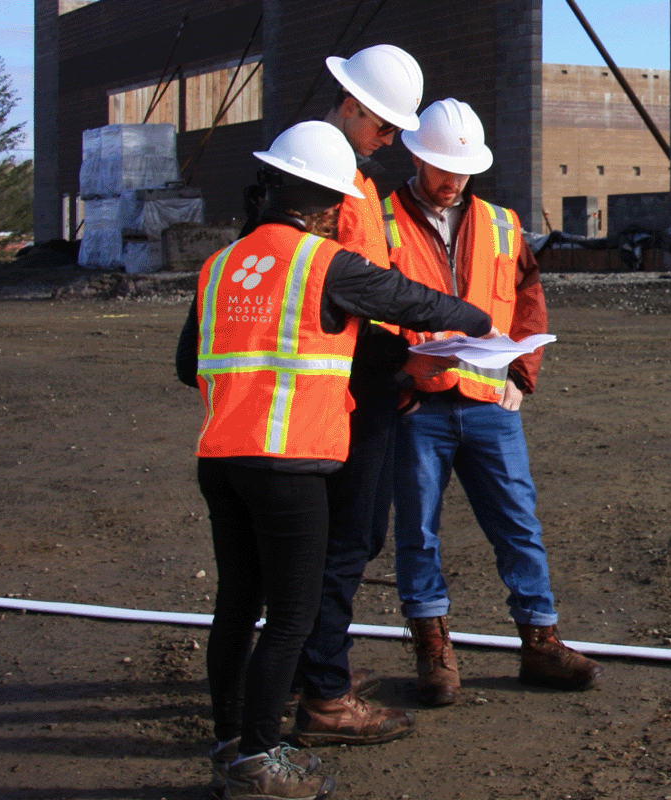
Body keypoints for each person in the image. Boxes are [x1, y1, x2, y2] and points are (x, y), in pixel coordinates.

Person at [177, 120, 496, 800]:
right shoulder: (324, 263)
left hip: (223, 458)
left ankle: (229, 741)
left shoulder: (221, 265)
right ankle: (258, 763)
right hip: (291, 460)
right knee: (292, 617)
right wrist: (475, 322)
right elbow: (410, 300)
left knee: (237, 606)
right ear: (325, 202)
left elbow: (187, 364)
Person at [381, 99, 602, 705]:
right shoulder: (379, 224)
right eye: (441, 170)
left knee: (518, 523)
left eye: (462, 172)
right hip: (417, 404)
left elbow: (528, 299)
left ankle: (541, 641)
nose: (452, 183)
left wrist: (522, 375)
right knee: (418, 531)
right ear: (416, 157)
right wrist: (396, 377)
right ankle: (434, 650)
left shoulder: (502, 223)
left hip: (487, 400)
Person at [289, 42, 431, 747]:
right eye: (383, 124)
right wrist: (399, 358)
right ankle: (323, 690)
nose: (392, 139)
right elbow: (340, 293)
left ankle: (306, 668)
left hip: (367, 379)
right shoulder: (327, 185)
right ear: (349, 106)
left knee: (348, 536)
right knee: (344, 539)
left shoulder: (357, 182)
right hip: (348, 386)